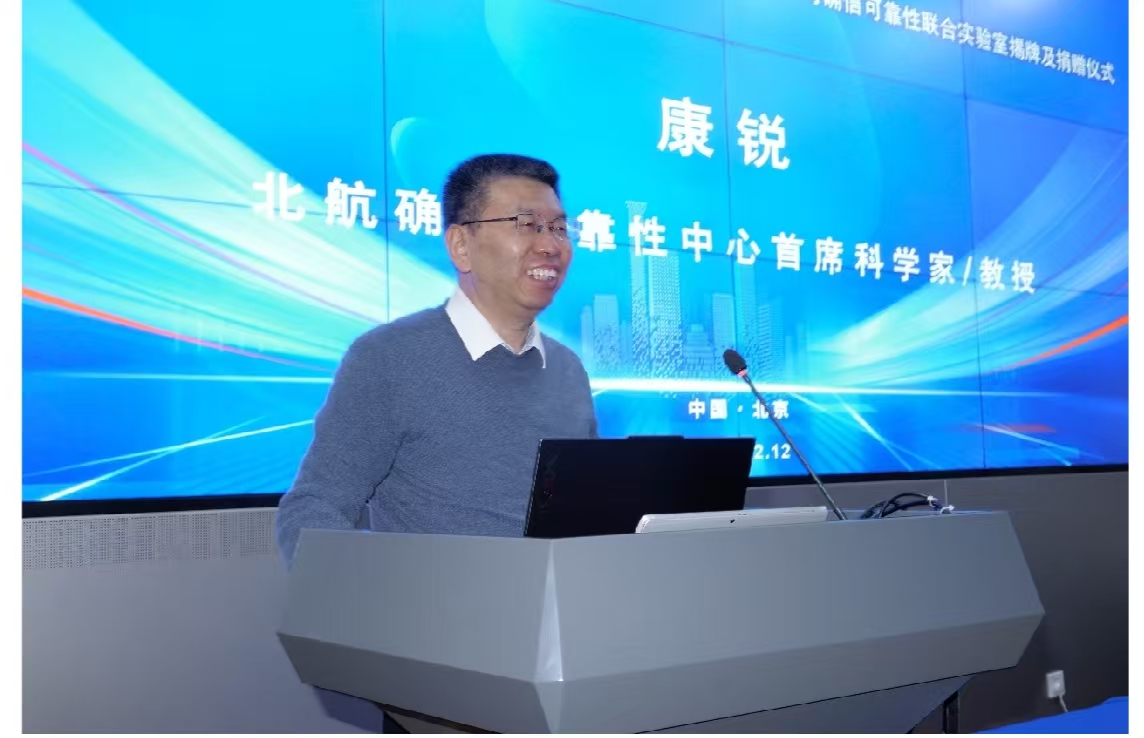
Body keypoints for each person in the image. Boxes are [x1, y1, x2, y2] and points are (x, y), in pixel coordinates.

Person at [276, 153, 598, 565]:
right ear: (461, 245)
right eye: (526, 225)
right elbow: (314, 507)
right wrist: (362, 595)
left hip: (559, 602)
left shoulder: (568, 370)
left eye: (559, 228)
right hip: (432, 605)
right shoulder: (390, 358)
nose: (550, 245)